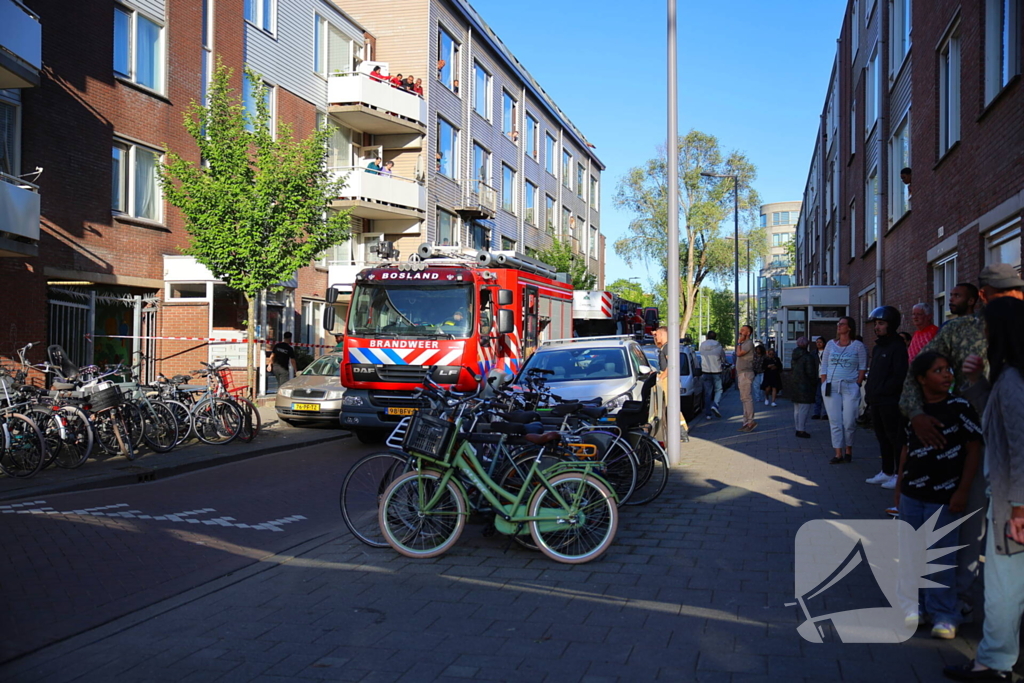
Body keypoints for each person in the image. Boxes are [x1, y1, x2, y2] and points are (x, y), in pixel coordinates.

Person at [901, 263, 1024, 613]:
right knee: (968, 522)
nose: (1014, 299)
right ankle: (957, 596)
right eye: (1005, 294)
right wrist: (917, 414)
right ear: (983, 296)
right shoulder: (959, 330)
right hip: (970, 444)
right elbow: (917, 371)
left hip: (1015, 447)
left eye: (1018, 292)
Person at [943, 296, 1024, 681]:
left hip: (1011, 503)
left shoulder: (1012, 381)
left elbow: (1020, 445)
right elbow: (996, 415)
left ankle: (993, 664)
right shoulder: (1009, 377)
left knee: (1003, 586)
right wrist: (977, 383)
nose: (983, 335)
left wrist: (1019, 508)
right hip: (1011, 499)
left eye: (987, 328)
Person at [893, 351, 982, 641]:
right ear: (921, 379)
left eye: (948, 369)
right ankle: (913, 607)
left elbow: (973, 449)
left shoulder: (960, 407)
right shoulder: (913, 411)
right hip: (912, 494)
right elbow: (906, 449)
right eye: (938, 370)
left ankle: (944, 613)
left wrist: (963, 490)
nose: (946, 375)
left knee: (940, 557)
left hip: (944, 497)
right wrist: (899, 486)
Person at [863, 306, 909, 490]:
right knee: (881, 437)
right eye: (875, 323)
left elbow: (899, 376)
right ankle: (886, 471)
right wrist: (870, 392)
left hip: (890, 401)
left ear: (891, 324)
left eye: (881, 323)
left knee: (894, 438)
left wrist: (883, 391)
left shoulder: (897, 347)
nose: (877, 327)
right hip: (876, 401)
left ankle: (898, 474)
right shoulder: (878, 347)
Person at [821, 316, 868, 464]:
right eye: (838, 324)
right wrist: (824, 382)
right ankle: (838, 453)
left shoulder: (858, 346)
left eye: (842, 324)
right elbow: (824, 365)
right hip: (831, 386)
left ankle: (849, 448)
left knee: (849, 421)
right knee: (835, 421)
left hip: (849, 386)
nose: (839, 326)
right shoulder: (830, 344)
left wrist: (857, 384)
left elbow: (862, 367)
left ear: (849, 327)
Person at [790, 337, 818, 438]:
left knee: (797, 409)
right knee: (804, 409)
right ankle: (801, 429)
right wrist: (814, 382)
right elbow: (811, 372)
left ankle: (797, 428)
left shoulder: (794, 356)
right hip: (805, 385)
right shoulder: (808, 357)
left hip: (795, 384)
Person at [698, 330, 726, 420]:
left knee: (707, 393)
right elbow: (723, 358)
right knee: (719, 390)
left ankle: (708, 414)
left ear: (707, 337)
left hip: (705, 371)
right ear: (715, 337)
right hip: (716, 371)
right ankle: (715, 404)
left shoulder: (702, 345)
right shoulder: (719, 346)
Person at [735, 325, 757, 432]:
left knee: (747, 398)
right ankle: (746, 422)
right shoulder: (744, 343)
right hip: (742, 373)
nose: (740, 332)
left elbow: (739, 353)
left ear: (748, 333)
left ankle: (750, 421)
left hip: (746, 374)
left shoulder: (748, 343)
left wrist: (739, 343)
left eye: (743, 330)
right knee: (744, 398)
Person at [812, 337, 827, 419]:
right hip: (817, 377)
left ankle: (825, 413)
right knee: (817, 396)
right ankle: (816, 413)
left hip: (826, 377)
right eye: (817, 342)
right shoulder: (813, 353)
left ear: (824, 343)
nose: (818, 343)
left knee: (826, 395)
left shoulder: (827, 352)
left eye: (820, 342)